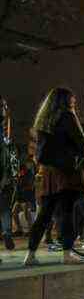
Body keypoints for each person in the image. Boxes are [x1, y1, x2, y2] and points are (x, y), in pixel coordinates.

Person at [24, 87, 84, 265]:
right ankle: (67, 254)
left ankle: (30, 255)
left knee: (44, 215)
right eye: (72, 100)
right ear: (66, 101)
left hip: (48, 174)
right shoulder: (67, 116)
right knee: (67, 213)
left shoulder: (43, 120)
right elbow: (80, 141)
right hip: (66, 173)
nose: (73, 103)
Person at [0, 97, 17, 252]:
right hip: (5, 178)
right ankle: (6, 232)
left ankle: (5, 233)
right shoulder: (6, 139)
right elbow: (12, 158)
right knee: (5, 209)